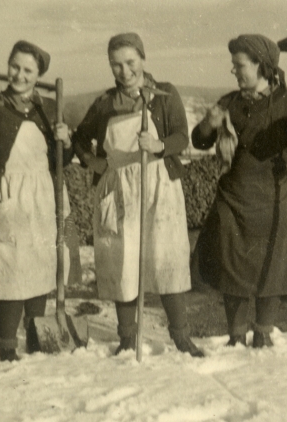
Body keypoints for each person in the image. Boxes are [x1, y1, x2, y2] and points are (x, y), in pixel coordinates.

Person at [192, 34, 287, 348]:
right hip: (234, 199)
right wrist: (207, 125)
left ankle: (264, 333)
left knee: (274, 265)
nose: (234, 72)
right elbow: (199, 141)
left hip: (274, 199)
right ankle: (236, 336)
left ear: (261, 66)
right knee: (234, 267)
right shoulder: (229, 103)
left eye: (239, 65)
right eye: (234, 65)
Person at [72, 33, 203, 357]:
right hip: (119, 188)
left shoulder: (163, 94)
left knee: (167, 257)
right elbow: (79, 139)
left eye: (130, 62)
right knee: (123, 260)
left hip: (158, 184)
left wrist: (158, 146)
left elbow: (181, 137)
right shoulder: (104, 103)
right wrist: (94, 162)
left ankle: (180, 336)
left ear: (142, 59)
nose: (124, 71)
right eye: (116, 65)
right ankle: (128, 338)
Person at [0, 41, 79, 361]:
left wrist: (65, 140)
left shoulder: (50, 107)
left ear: (39, 75)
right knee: (13, 272)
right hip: (9, 192)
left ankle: (36, 338)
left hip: (43, 193)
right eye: (15, 66)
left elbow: (61, 161)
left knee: (40, 267)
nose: (19, 74)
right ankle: (7, 347)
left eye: (28, 70)